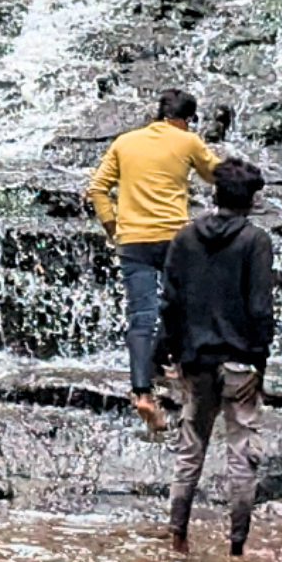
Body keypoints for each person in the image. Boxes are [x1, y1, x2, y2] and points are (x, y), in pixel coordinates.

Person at [158, 157, 275, 557]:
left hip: (195, 358)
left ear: (215, 193)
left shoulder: (185, 237)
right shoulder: (255, 241)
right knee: (242, 451)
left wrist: (168, 351)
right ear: (252, 199)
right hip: (240, 360)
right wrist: (261, 357)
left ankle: (178, 537)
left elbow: (170, 302)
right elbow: (260, 307)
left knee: (190, 447)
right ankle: (237, 547)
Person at [88, 88, 219, 432]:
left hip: (133, 240)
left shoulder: (124, 142)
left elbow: (97, 188)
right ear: (187, 119)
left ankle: (143, 392)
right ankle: (168, 363)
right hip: (175, 239)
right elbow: (215, 175)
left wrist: (112, 226)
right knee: (186, 305)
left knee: (141, 315)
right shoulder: (188, 141)